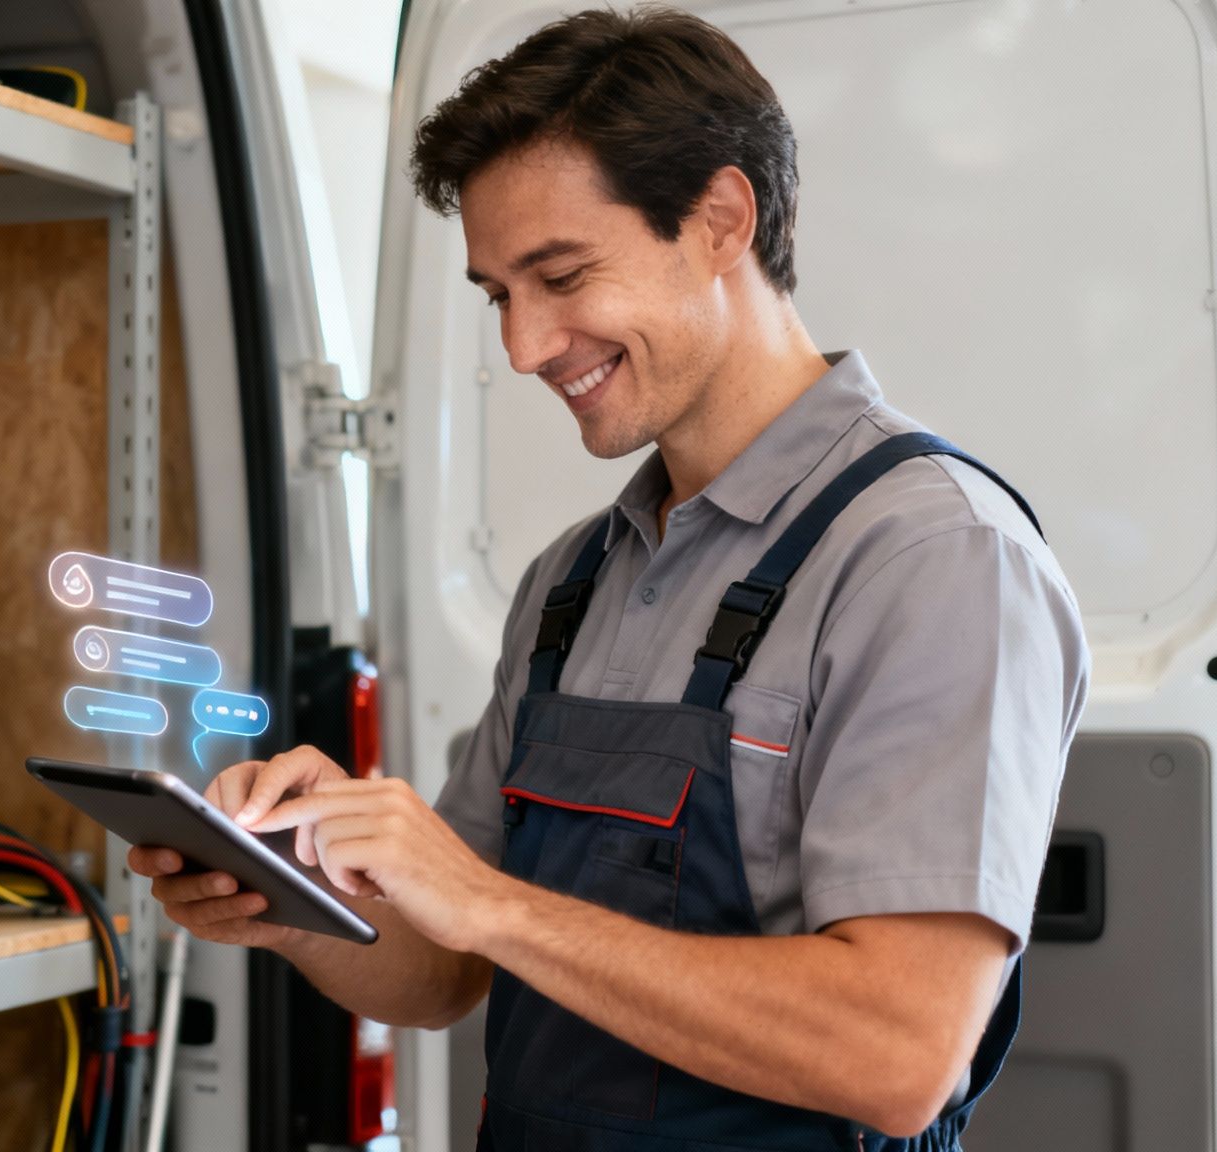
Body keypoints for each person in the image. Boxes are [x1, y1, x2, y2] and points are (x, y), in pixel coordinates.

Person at [131, 7, 1089, 1148]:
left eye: (561, 274)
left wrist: (492, 903)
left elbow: (895, 1057)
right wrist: (288, 904)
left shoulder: (930, 560)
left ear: (720, 220)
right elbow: (441, 972)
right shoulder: (569, 582)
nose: (524, 347)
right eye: (498, 294)